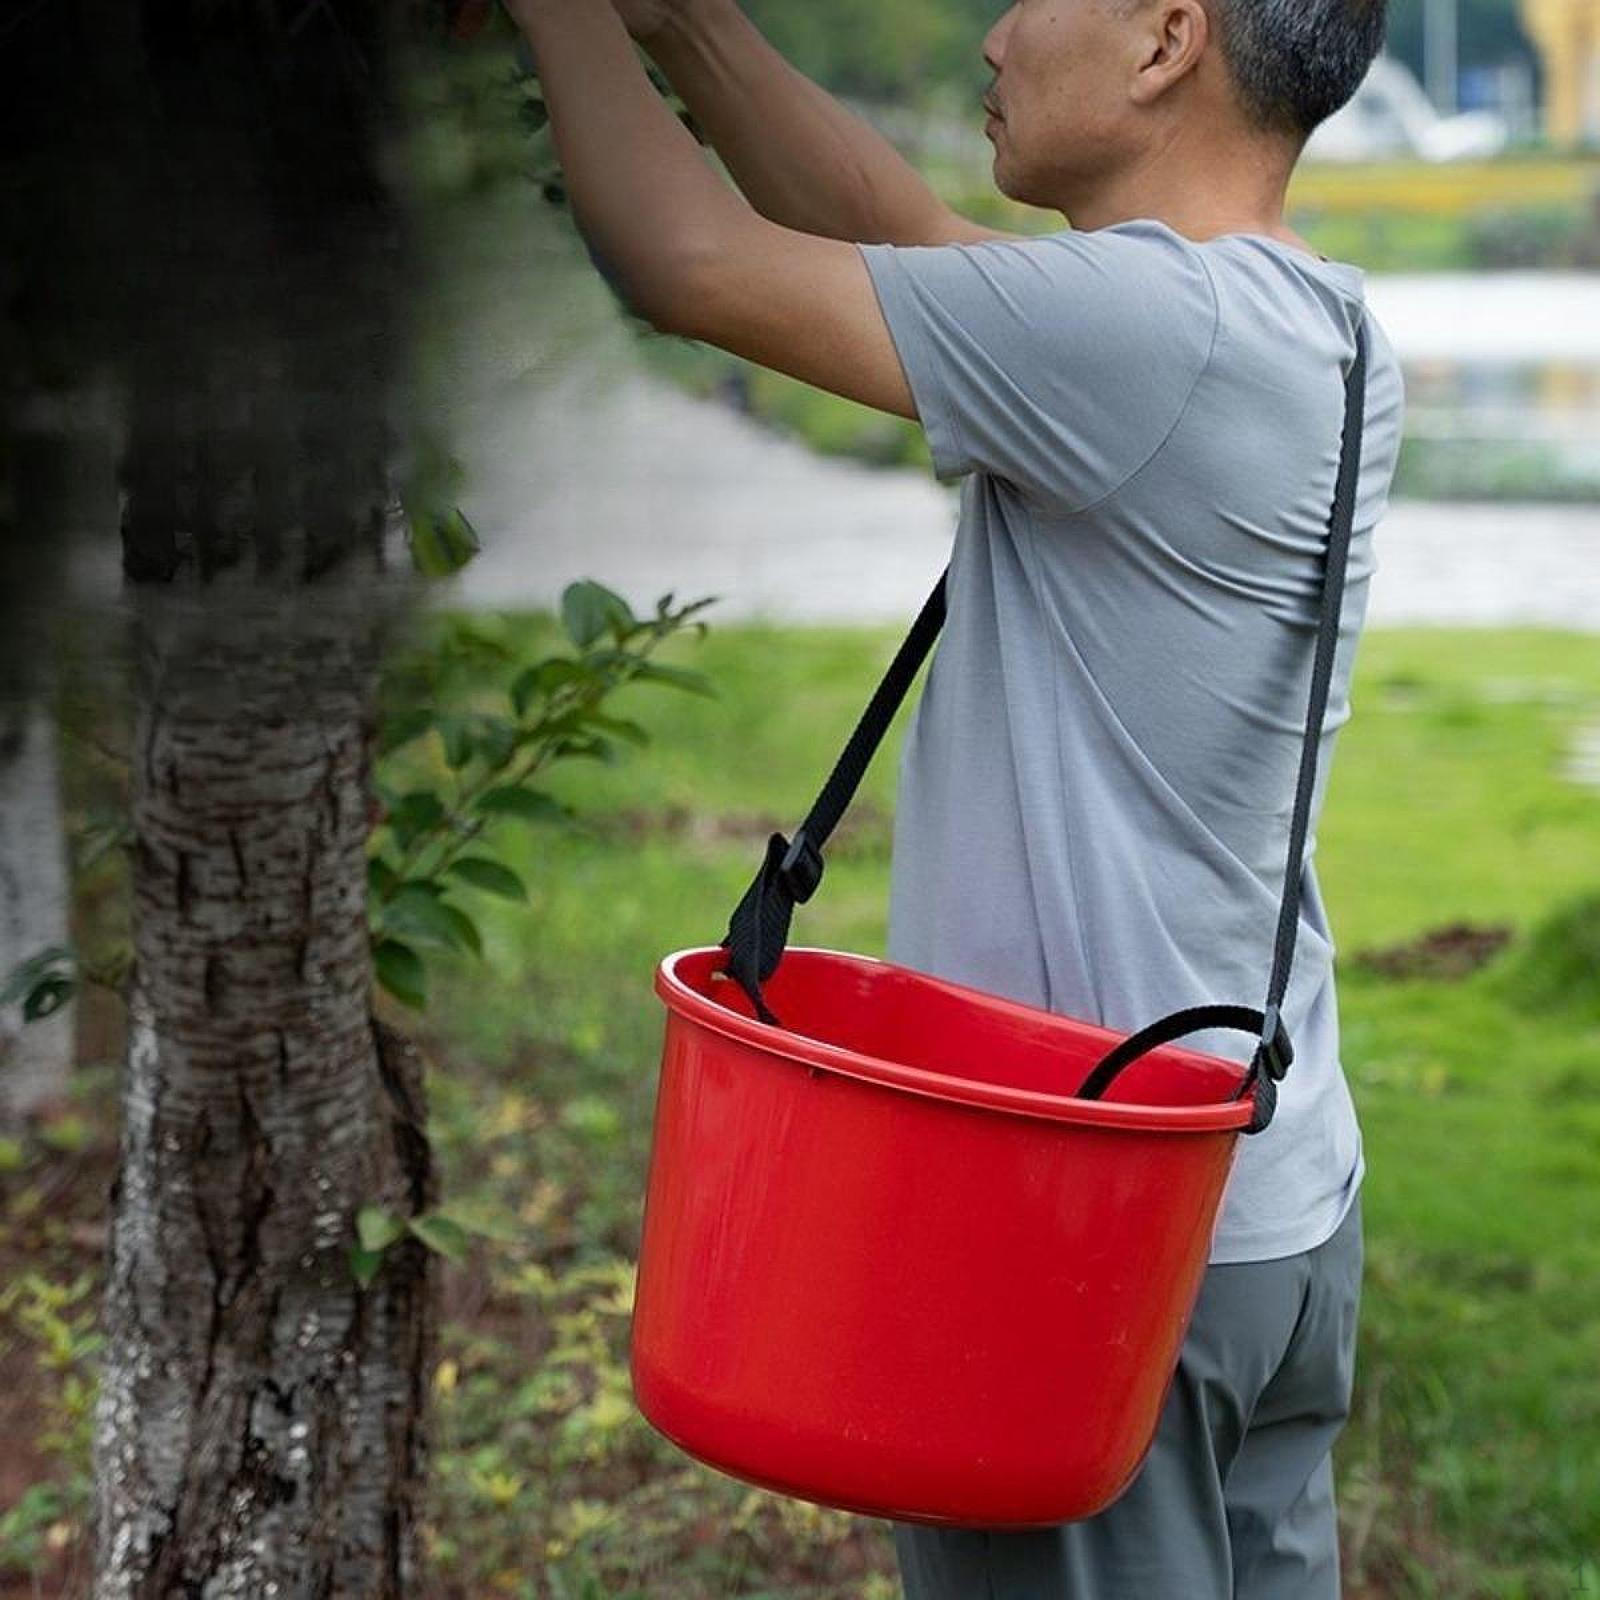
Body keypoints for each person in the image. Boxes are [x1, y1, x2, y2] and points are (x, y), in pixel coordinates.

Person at [505, 0, 1406, 1592]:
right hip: (1262, 1201)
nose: (995, 37)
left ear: (1164, 41)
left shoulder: (1145, 333)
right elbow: (895, 228)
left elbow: (688, 263)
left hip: (1073, 1233)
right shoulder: (1313, 325)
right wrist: (686, 29)